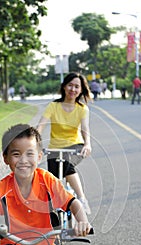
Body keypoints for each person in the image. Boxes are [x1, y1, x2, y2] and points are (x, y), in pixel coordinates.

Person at [37, 72, 92, 215]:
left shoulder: (82, 109)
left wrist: (87, 144)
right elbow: (41, 125)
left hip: (75, 146)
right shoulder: (53, 106)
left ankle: (81, 199)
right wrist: (35, 143)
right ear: (64, 87)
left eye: (77, 87)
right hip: (54, 148)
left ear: (81, 90)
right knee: (52, 182)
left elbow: (85, 128)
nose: (73, 89)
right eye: (70, 85)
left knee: (67, 166)